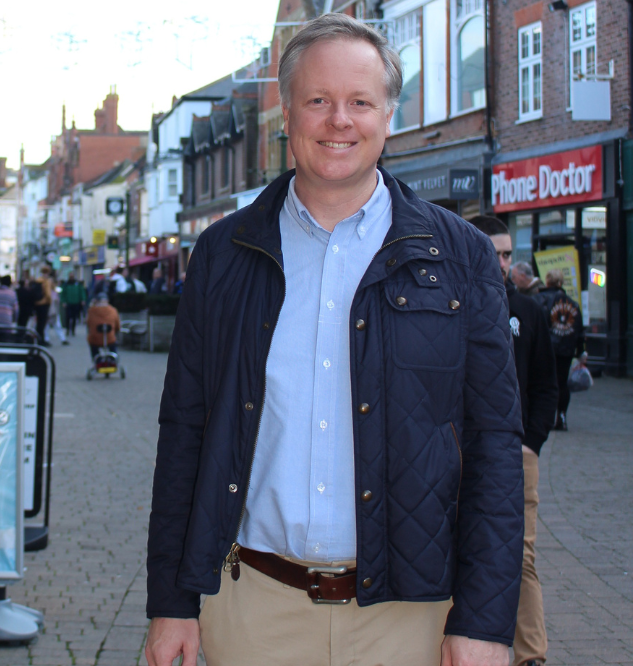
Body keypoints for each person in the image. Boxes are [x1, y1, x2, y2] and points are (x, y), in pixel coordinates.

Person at [145, 14, 523, 666]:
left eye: (359, 102)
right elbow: (185, 433)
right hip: (253, 608)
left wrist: (485, 621)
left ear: (389, 114)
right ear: (287, 113)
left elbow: (493, 445)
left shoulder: (458, 254)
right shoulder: (223, 254)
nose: (338, 120)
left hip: (410, 614)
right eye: (318, 100)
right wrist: (172, 603)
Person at [471, 216, 557, 666]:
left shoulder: (528, 311)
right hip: (459, 454)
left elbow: (547, 384)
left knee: (520, 557)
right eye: (494, 252)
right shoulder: (450, 302)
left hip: (515, 456)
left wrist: (532, 442)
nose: (502, 262)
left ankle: (530, 655)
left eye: (507, 254)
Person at [536, 269, 584, 431]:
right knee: (562, 383)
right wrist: (580, 350)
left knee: (545, 383)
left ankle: (546, 417)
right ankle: (561, 416)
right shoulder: (573, 303)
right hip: (566, 349)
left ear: (547, 281)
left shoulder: (541, 300)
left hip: (547, 349)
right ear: (561, 282)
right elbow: (579, 329)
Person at [85, 294, 121, 361]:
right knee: (113, 342)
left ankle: (97, 360)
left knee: (91, 342)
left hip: (95, 339)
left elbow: (88, 324)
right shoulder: (113, 310)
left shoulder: (91, 311)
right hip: (110, 339)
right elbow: (117, 326)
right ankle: (113, 359)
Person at [34, 265, 55, 345]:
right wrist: (49, 301)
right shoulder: (47, 281)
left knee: (40, 323)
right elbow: (49, 294)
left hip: (38, 303)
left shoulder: (38, 280)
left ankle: (39, 339)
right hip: (44, 303)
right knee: (42, 323)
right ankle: (41, 340)